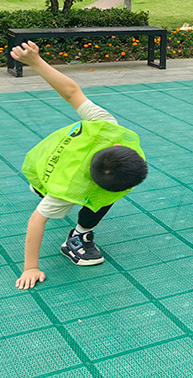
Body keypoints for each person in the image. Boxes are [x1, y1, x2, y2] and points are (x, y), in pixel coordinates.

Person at [12, 41, 148, 290]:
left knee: (48, 186)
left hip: (46, 161)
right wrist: (30, 267)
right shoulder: (67, 191)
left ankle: (41, 187)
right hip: (49, 170)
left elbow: (72, 92)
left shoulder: (108, 127)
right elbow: (36, 221)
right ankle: (76, 239)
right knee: (94, 202)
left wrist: (36, 62)